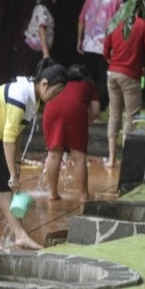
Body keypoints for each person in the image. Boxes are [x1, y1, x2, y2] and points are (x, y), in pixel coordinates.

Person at [0, 58, 68, 250]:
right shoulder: (20, 96)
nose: (55, 97)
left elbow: (17, 132)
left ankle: (20, 236)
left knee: (4, 184)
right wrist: (13, 175)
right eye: (55, 92)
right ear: (44, 84)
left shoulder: (34, 98)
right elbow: (8, 138)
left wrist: (15, 164)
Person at [103, 11, 145, 167]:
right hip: (131, 76)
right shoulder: (144, 25)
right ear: (139, 8)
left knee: (114, 115)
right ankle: (126, 159)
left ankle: (111, 159)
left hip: (112, 74)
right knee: (131, 117)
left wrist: (115, 64)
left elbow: (105, 52)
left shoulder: (113, 22)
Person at [42, 64, 100, 202]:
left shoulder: (60, 83)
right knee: (78, 157)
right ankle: (84, 195)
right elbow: (95, 111)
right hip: (76, 112)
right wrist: (84, 121)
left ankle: (52, 193)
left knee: (53, 155)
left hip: (51, 110)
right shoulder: (89, 84)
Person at [77, 0, 121, 114]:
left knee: (89, 77)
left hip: (89, 43)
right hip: (107, 45)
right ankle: (100, 108)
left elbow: (81, 18)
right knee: (104, 78)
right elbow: (120, 23)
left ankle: (87, 104)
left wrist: (79, 39)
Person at [20, 0, 58, 75]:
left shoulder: (46, 9)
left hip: (39, 49)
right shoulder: (42, 9)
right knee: (34, 73)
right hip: (35, 49)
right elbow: (42, 29)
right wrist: (45, 52)